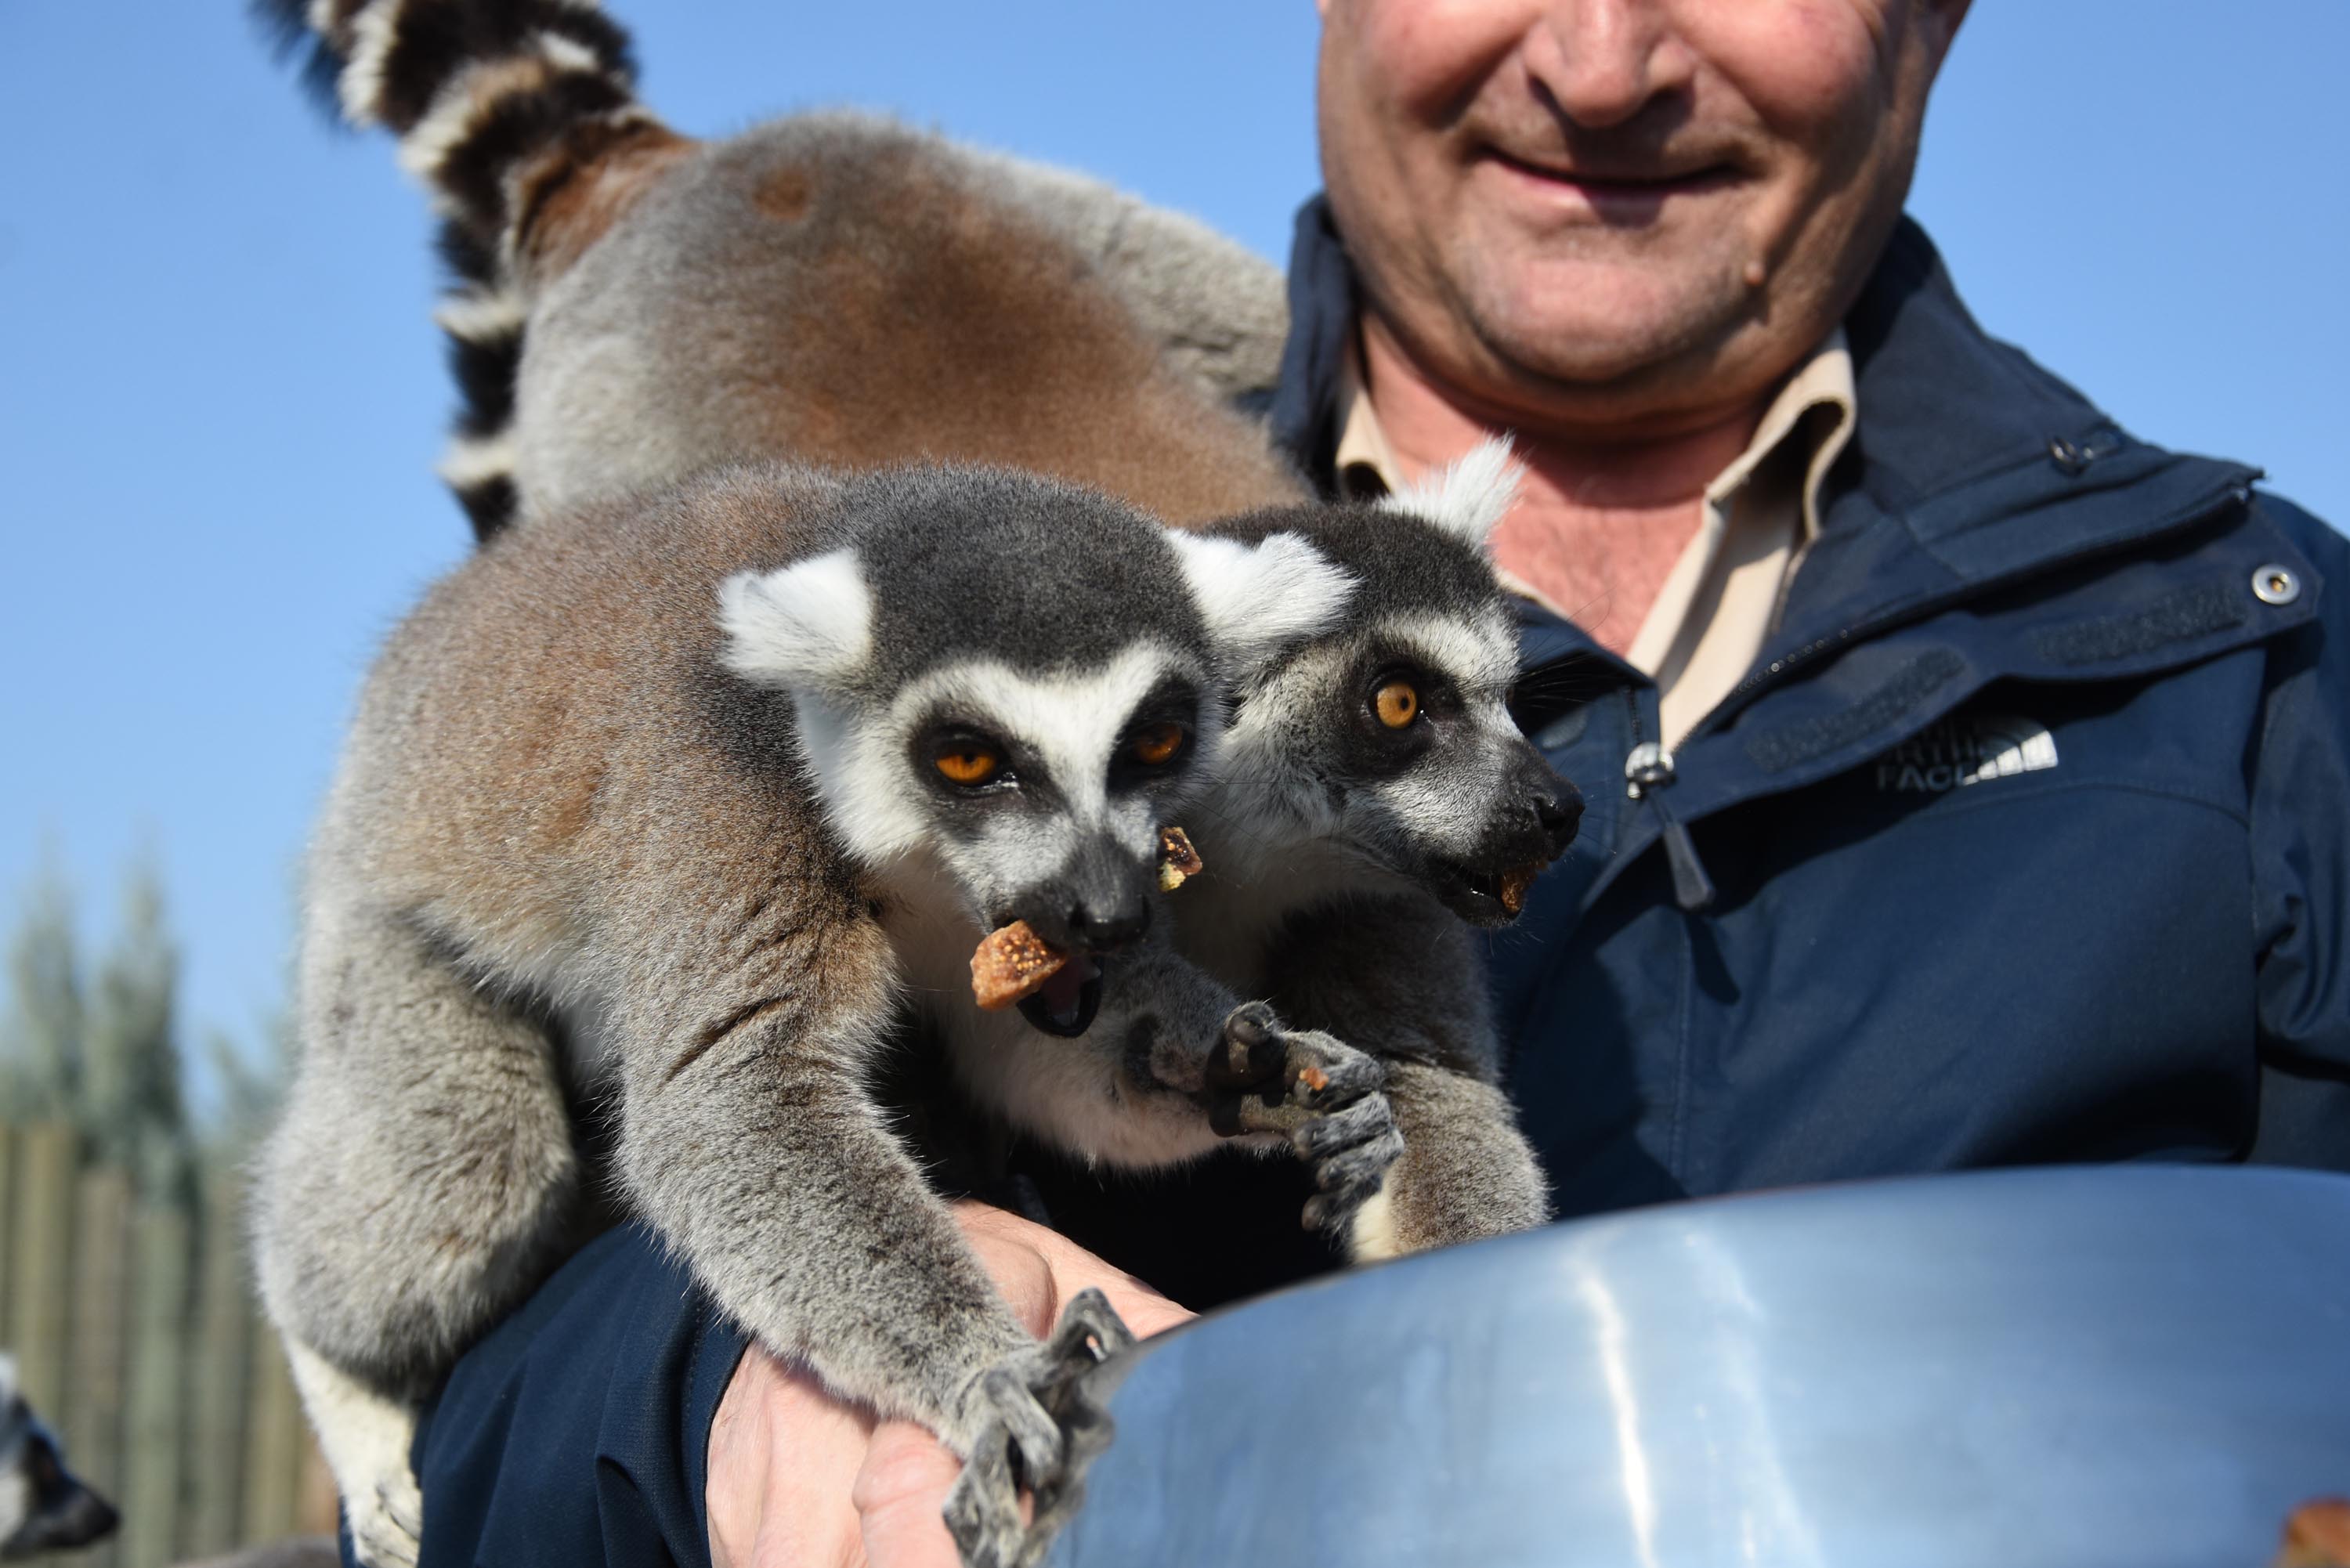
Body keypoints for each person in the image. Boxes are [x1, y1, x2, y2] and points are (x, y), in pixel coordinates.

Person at [399, 2, 2350, 1563]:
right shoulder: (949, 602)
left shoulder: (2252, 652)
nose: (1599, 61)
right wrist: (707, 1396)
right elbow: (496, 1388)